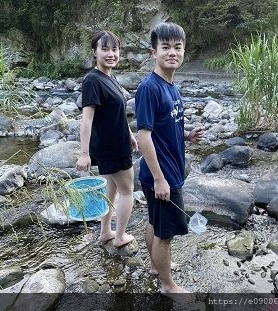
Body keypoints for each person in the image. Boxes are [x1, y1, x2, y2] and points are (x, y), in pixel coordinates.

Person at [135, 22, 204, 294]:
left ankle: (156, 267)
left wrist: (186, 136)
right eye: (166, 47)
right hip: (162, 174)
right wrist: (159, 179)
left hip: (166, 170)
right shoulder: (149, 88)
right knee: (166, 233)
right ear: (154, 52)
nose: (172, 52)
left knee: (155, 222)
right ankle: (168, 285)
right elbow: (143, 137)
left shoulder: (171, 86)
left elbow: (164, 126)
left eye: (178, 47)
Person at [76, 30, 137, 248]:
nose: (111, 54)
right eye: (105, 49)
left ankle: (105, 232)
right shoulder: (93, 80)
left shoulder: (109, 76)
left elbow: (116, 112)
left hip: (118, 142)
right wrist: (84, 154)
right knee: (128, 192)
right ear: (94, 52)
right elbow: (87, 118)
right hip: (112, 147)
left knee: (111, 189)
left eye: (114, 49)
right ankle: (120, 236)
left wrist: (129, 134)